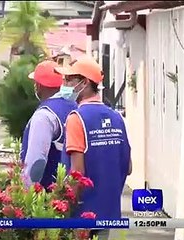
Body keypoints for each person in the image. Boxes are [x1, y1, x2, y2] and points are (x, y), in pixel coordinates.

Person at [56, 56, 132, 239]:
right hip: (108, 209)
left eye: (69, 79)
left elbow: (77, 173)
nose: (64, 83)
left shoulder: (76, 118)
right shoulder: (116, 118)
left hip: (82, 213)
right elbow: (128, 167)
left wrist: (63, 209)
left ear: (84, 83)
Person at [20, 60, 77, 190]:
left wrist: (26, 193)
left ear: (38, 86)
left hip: (48, 196)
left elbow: (36, 161)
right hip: (67, 192)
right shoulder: (74, 107)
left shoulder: (44, 116)